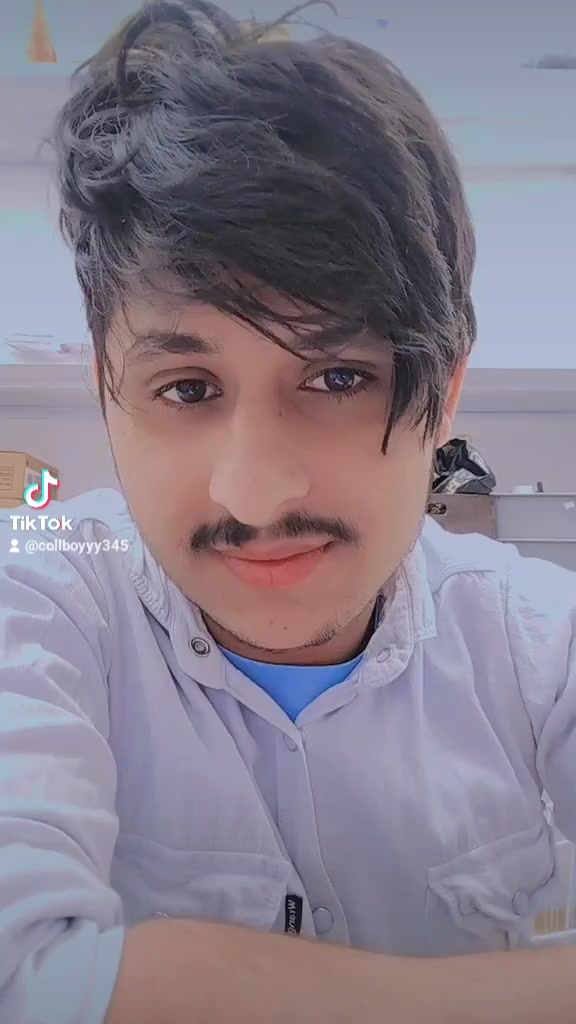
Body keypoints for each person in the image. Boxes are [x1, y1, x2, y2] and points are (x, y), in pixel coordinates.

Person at [0, 1, 575, 1021]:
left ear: (443, 392)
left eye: (338, 377)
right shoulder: (35, 605)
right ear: (105, 390)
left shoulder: (540, 645)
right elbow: (24, 984)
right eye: (187, 388)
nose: (255, 494)